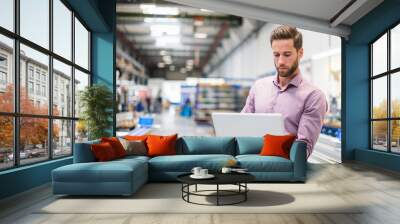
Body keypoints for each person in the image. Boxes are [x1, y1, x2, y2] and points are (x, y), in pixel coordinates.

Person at [241, 25, 328, 158]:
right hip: (249, 162)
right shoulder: (259, 87)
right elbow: (241, 124)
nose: (280, 61)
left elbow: (302, 149)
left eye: (287, 54)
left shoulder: (314, 96)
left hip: (283, 169)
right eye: (276, 55)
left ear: (300, 53)